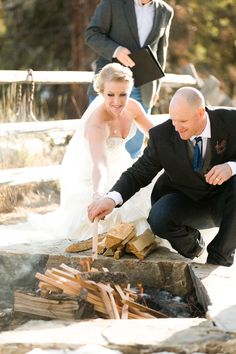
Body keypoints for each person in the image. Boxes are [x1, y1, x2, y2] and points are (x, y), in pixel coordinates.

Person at [88, 87, 236, 267]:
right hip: (187, 200)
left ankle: (219, 257)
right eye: (173, 120)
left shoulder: (230, 121)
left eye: (183, 121)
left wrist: (231, 167)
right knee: (159, 218)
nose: (176, 127)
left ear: (200, 113)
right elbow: (138, 173)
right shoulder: (162, 136)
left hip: (228, 201)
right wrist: (111, 199)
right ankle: (195, 248)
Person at [85, 0, 174, 159]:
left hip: (145, 86)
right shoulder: (113, 3)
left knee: (134, 149)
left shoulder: (166, 11)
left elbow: (161, 53)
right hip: (109, 84)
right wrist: (116, 50)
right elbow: (92, 34)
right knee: (97, 145)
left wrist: (157, 87)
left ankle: (130, 183)